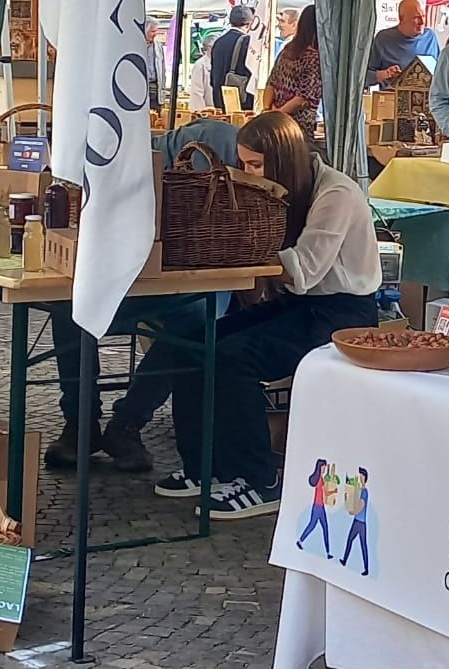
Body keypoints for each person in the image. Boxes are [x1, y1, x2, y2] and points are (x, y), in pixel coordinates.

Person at [153, 112, 380, 518]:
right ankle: (205, 467)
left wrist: (242, 253)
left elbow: (305, 269)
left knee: (234, 357)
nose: (248, 173)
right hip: (299, 303)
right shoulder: (282, 187)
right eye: (243, 163)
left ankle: (259, 479)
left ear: (283, 161)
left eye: (256, 165)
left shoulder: (337, 194)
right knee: (192, 344)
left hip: (342, 315)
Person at [43, 119, 242, 473]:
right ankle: (80, 423)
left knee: (198, 319)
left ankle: (127, 423)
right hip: (126, 271)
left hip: (193, 281)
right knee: (69, 306)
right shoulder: (133, 153)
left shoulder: (225, 149)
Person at [264, 5, 322, 138]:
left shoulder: (287, 50)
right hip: (297, 127)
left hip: (276, 123)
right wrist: (279, 114)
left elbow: (270, 84)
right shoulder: (313, 58)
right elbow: (302, 99)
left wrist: (268, 111)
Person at [366, 0, 440, 89]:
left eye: (423, 16)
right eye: (416, 17)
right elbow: (363, 76)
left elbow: (442, 71)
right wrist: (384, 74)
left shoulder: (431, 37)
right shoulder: (383, 39)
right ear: (401, 18)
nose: (422, 22)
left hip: (428, 96)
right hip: (393, 96)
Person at [209, 5, 256, 111]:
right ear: (249, 24)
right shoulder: (248, 42)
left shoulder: (218, 42)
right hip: (240, 98)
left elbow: (213, 74)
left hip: (219, 97)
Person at [296, 458, 333, 558]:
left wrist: (333, 491)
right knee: (313, 525)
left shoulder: (321, 479)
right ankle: (300, 540)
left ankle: (328, 552)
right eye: (323, 467)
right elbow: (323, 491)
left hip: (321, 506)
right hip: (317, 506)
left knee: (324, 527)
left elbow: (325, 492)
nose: (324, 469)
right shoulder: (318, 479)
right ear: (320, 467)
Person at [339, 467, 370, 576]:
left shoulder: (364, 492)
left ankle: (366, 568)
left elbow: (361, 505)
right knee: (350, 540)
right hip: (357, 520)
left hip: (360, 522)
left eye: (362, 476)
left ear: (365, 478)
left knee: (362, 545)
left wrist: (352, 512)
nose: (360, 477)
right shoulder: (359, 490)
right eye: (360, 475)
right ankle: (345, 560)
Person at [189, 30, 219, 112]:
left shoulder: (218, 62)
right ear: (209, 48)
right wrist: (201, 111)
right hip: (205, 109)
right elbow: (197, 91)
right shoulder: (200, 65)